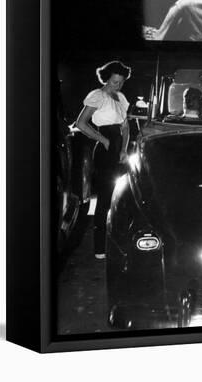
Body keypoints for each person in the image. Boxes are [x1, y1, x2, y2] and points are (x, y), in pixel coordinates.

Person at [76, 60, 131, 259]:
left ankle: (117, 242)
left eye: (121, 82)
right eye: (115, 82)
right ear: (107, 79)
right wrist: (103, 139)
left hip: (119, 149)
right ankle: (100, 247)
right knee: (105, 198)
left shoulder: (121, 97)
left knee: (121, 196)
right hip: (106, 148)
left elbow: (125, 127)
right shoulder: (97, 96)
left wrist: (124, 149)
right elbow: (81, 123)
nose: (118, 85)